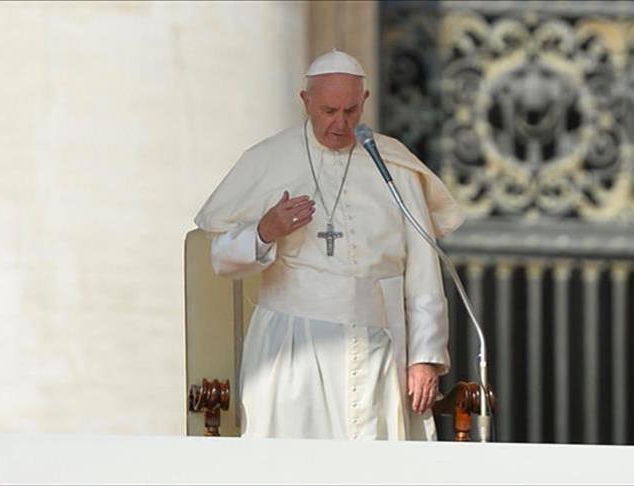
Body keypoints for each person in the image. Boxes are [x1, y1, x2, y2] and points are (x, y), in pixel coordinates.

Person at [194, 50, 463, 440]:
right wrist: (265, 231)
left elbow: (423, 269)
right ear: (305, 101)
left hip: (379, 346)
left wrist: (425, 358)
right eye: (329, 111)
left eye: (351, 111)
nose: (341, 123)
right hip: (291, 348)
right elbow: (221, 258)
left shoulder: (393, 164)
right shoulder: (268, 159)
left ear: (364, 101)